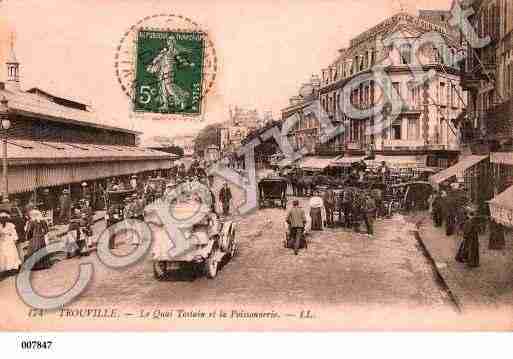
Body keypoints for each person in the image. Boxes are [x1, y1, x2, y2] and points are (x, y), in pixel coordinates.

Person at [0, 209, 21, 278]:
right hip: (2, 241)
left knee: (11, 254)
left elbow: (14, 233)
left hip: (9, 241)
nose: (3, 220)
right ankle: (6, 269)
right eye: (1, 218)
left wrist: (14, 239)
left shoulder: (10, 225)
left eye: (4, 218)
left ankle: (13, 268)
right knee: (4, 255)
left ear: (6, 219)